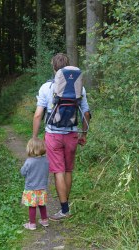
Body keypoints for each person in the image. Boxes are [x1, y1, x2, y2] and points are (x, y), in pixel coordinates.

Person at [32, 53, 91, 221]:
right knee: (68, 170)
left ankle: (64, 209)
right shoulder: (80, 88)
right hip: (72, 134)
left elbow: (38, 115)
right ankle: (65, 205)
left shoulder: (46, 88)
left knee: (58, 171)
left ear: (54, 68)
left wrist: (35, 137)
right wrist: (84, 133)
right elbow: (86, 113)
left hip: (53, 134)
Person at [21, 137, 49, 230]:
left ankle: (32, 224)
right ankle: (44, 220)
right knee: (42, 204)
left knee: (32, 206)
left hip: (31, 188)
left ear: (30, 149)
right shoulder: (45, 160)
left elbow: (23, 172)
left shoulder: (29, 161)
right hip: (42, 187)